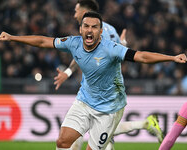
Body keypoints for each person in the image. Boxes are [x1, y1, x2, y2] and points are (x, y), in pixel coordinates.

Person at [0, 12, 187, 150]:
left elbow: (142, 57)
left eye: (94, 27)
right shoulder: (72, 43)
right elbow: (42, 41)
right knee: (62, 142)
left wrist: (171, 58)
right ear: (80, 29)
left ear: (100, 31)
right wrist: (13, 38)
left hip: (109, 109)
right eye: (86, 26)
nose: (90, 30)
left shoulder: (110, 48)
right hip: (85, 101)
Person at [54, 0, 163, 149]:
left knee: (92, 136)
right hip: (94, 91)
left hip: (104, 92)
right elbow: (81, 53)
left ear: (85, 11)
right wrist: (68, 72)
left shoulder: (101, 33)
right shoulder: (101, 31)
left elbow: (117, 54)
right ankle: (143, 124)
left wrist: (123, 47)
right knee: (79, 137)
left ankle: (143, 124)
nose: (74, 15)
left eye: (76, 10)